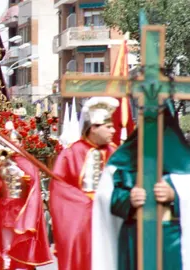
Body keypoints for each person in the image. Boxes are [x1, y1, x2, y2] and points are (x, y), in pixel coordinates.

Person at [92, 100, 190, 270]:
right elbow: (106, 197)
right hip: (134, 237)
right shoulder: (124, 160)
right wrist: (128, 199)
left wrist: (175, 195)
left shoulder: (187, 164)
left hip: (170, 239)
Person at [49, 97, 119, 270]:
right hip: (80, 220)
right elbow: (59, 187)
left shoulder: (116, 153)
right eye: (108, 126)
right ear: (93, 128)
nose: (113, 131)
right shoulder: (71, 153)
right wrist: (86, 203)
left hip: (111, 216)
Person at [0, 123, 53, 269]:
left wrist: (19, 171)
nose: (14, 144)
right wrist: (0, 162)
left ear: (21, 143)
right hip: (6, 208)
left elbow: (32, 181)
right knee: (7, 245)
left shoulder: (27, 161)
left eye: (16, 141)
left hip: (23, 209)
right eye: (10, 142)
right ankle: (6, 265)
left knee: (23, 242)